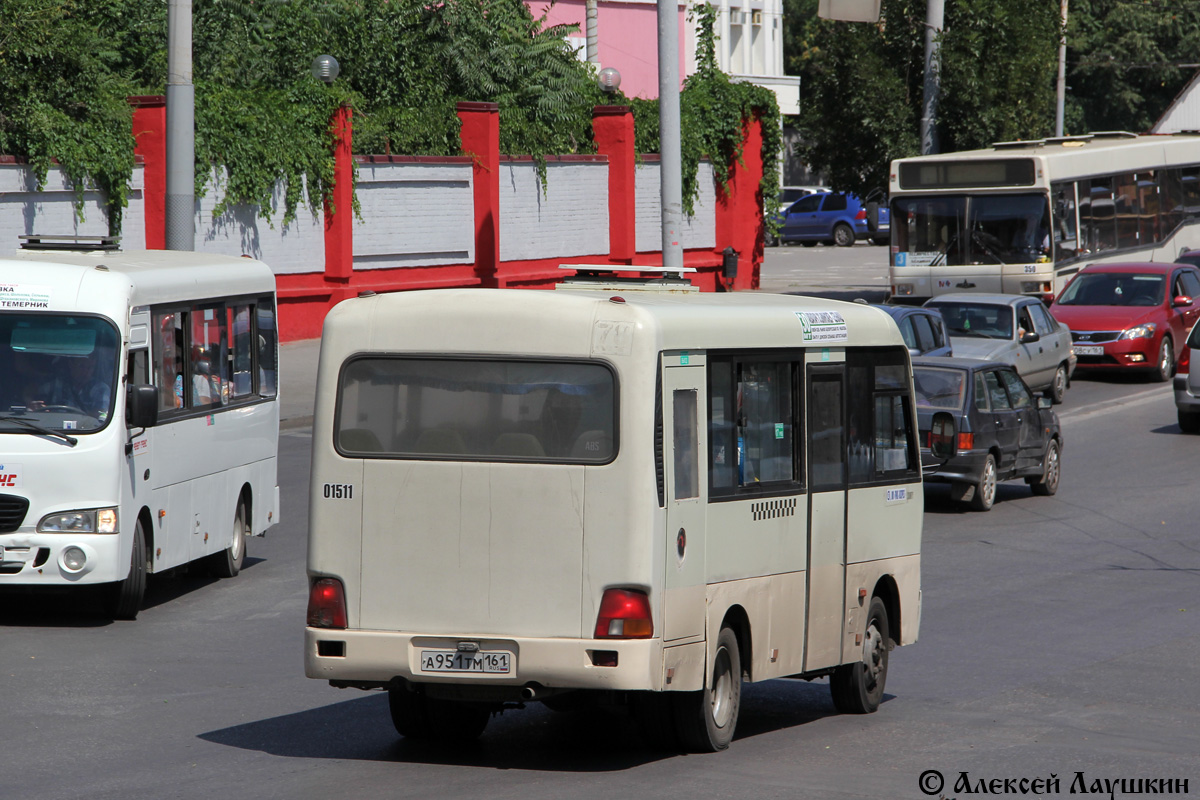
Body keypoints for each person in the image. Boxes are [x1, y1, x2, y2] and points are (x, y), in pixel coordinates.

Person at [36, 352, 112, 420]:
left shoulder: (100, 389)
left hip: (86, 431)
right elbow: (31, 391)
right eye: (81, 366)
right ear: (71, 365)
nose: (86, 371)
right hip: (51, 428)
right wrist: (29, 401)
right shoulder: (57, 383)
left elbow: (100, 413)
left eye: (90, 367)